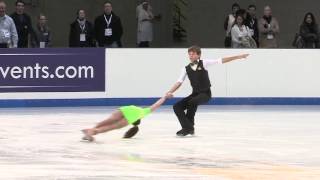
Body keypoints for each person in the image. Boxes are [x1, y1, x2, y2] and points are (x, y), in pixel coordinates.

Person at [166, 46, 249, 136]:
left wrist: (237, 57)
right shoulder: (186, 69)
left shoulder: (204, 63)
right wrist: (170, 91)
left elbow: (220, 60)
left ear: (199, 55)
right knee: (177, 107)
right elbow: (179, 82)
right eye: (189, 54)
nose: (191, 56)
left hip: (205, 94)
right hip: (195, 94)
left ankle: (188, 128)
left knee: (192, 102)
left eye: (193, 54)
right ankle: (188, 127)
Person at [82, 95, 172, 141]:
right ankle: (92, 132)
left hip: (124, 110)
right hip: (128, 118)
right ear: (135, 122)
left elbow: (156, 104)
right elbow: (156, 105)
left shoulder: (142, 110)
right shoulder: (142, 114)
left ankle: (91, 130)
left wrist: (165, 97)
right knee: (109, 127)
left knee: (107, 121)